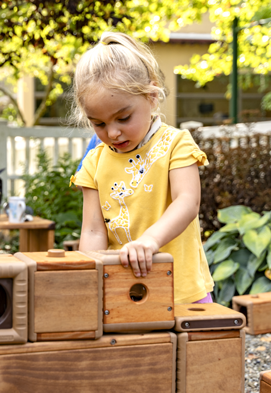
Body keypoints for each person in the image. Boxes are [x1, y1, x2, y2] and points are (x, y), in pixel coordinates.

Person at [70, 32, 214, 304]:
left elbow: (187, 201)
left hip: (182, 291)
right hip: (124, 293)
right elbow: (92, 231)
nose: (112, 132)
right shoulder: (94, 161)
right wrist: (87, 278)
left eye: (123, 118)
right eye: (98, 124)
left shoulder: (176, 143)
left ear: (151, 96)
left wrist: (149, 241)